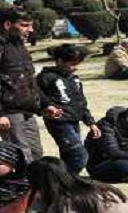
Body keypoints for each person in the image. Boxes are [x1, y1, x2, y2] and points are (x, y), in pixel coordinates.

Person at [0, 8, 43, 160]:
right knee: (21, 155)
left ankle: (36, 183)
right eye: (25, 25)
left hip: (27, 108)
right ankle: (22, 184)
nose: (30, 30)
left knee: (36, 153)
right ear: (7, 24)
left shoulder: (18, 45)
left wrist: (45, 104)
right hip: (8, 111)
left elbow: (29, 78)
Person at [37, 44, 101, 175]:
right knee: (79, 155)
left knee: (68, 155)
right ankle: (63, 180)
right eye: (72, 64)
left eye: (77, 64)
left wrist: (91, 123)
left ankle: (63, 183)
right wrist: (47, 105)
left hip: (74, 120)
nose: (75, 68)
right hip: (59, 122)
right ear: (60, 61)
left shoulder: (75, 79)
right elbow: (36, 94)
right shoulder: (46, 77)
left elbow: (81, 103)